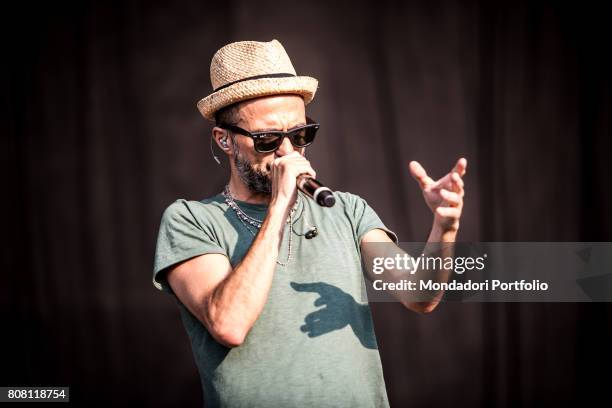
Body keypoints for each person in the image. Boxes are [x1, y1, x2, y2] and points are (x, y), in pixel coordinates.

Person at [153, 39, 467, 408]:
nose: (288, 152)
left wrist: (444, 229)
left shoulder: (347, 211)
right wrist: (280, 205)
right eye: (268, 139)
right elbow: (228, 324)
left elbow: (418, 295)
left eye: (300, 135)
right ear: (225, 140)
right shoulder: (191, 220)